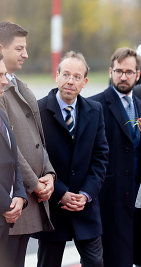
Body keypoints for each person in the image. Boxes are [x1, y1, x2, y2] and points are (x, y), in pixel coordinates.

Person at [33, 51, 109, 267]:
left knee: (95, 262)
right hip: (52, 206)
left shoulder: (95, 110)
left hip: (85, 205)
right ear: (56, 76)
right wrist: (61, 193)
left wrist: (85, 194)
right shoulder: (38, 110)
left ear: (84, 82)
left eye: (77, 77)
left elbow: (100, 157)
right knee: (48, 263)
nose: (70, 81)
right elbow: (35, 158)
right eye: (66, 74)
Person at [0, 21, 55, 267]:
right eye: (19, 48)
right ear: (1, 48)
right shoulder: (3, 88)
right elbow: (10, 148)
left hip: (26, 197)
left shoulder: (19, 84)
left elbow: (37, 139)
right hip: (13, 197)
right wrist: (34, 184)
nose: (26, 54)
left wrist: (49, 174)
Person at [90, 47, 141, 267]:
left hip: (139, 200)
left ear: (138, 74)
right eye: (118, 71)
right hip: (108, 200)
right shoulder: (94, 105)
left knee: (138, 257)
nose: (123, 76)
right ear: (110, 71)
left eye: (128, 72)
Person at [0, 52, 27, 267]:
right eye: (0, 75)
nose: (4, 81)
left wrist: (19, 195)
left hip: (7, 214)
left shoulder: (1, 111)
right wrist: (7, 204)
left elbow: (13, 158)